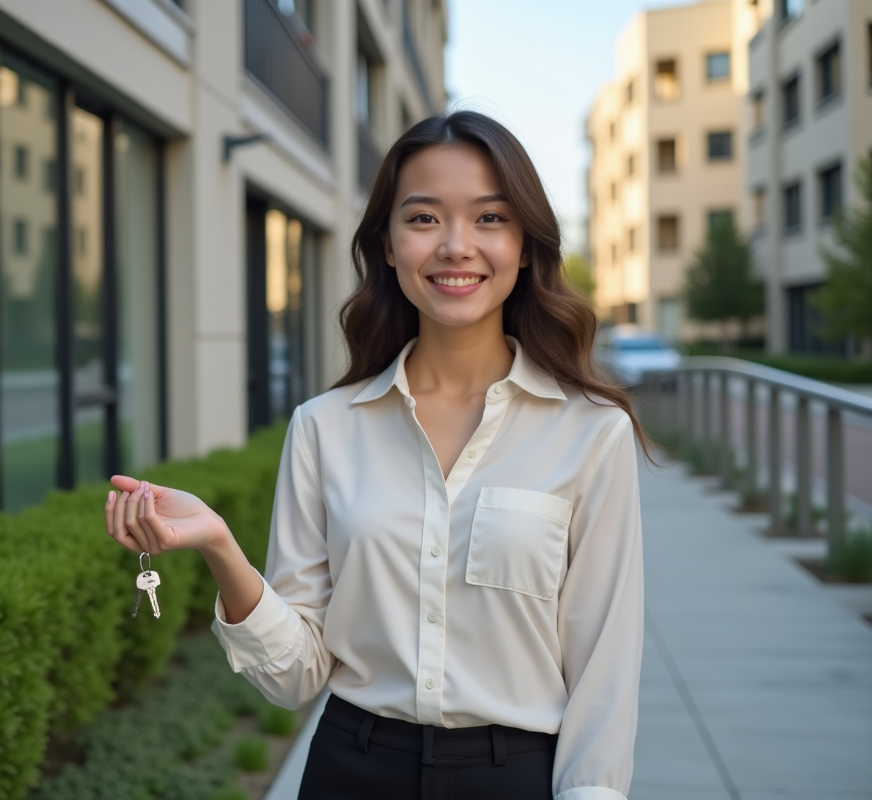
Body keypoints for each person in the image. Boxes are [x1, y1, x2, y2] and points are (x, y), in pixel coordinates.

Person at [104, 111, 647, 800]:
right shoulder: (325, 427)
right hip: (351, 770)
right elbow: (295, 675)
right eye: (423, 219)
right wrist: (219, 545)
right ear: (388, 246)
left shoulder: (590, 432)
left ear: (525, 244)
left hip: (515, 779)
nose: (456, 246)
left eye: (489, 219)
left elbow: (605, 670)